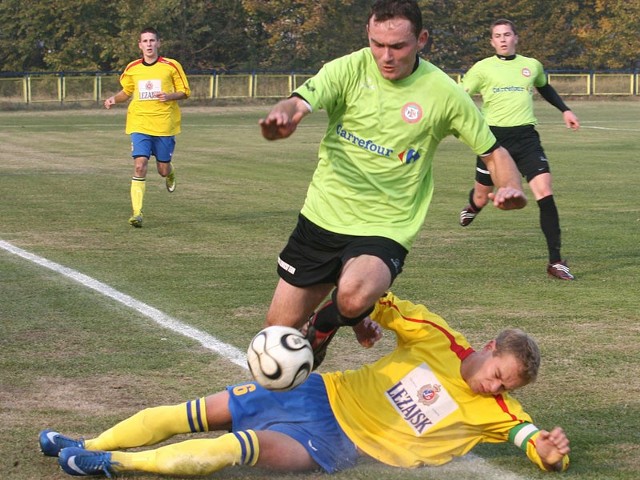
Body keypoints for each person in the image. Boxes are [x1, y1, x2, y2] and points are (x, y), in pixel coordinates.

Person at [258, 0, 527, 368]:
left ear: (422, 40)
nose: (385, 56)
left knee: (352, 296)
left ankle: (326, 324)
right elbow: (299, 102)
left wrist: (511, 184)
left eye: (398, 46)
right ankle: (312, 364)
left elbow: (494, 152)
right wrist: (283, 116)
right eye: (377, 44)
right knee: (274, 339)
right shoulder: (348, 68)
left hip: (387, 224)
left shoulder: (444, 92)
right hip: (323, 216)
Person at [38, 292, 570, 477]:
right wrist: (361, 318)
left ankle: (112, 464)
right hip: (321, 392)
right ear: (489, 349)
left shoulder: (501, 415)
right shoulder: (438, 337)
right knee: (193, 412)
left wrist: (549, 455)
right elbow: (377, 301)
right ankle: (87, 444)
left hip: (339, 444)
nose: (493, 389)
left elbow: (534, 447)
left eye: (507, 388)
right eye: (498, 376)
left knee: (230, 448)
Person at [458, 19, 580, 280]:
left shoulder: (531, 65)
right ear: (492, 41)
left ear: (516, 37)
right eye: (497, 36)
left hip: (526, 138)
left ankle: (555, 261)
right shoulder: (482, 69)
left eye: (507, 34)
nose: (502, 39)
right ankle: (473, 206)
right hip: (492, 141)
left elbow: (544, 86)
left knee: (544, 191)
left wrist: (565, 109)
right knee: (482, 197)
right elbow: (461, 96)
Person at [104, 27, 190, 228]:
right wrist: (113, 99)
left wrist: (169, 96)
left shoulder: (171, 66)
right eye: (145, 41)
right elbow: (126, 92)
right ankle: (137, 213)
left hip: (164, 124)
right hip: (139, 123)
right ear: (140, 45)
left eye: (152, 41)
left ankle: (169, 172)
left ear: (158, 43)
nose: (149, 44)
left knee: (161, 169)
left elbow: (185, 92)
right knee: (140, 165)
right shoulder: (133, 68)